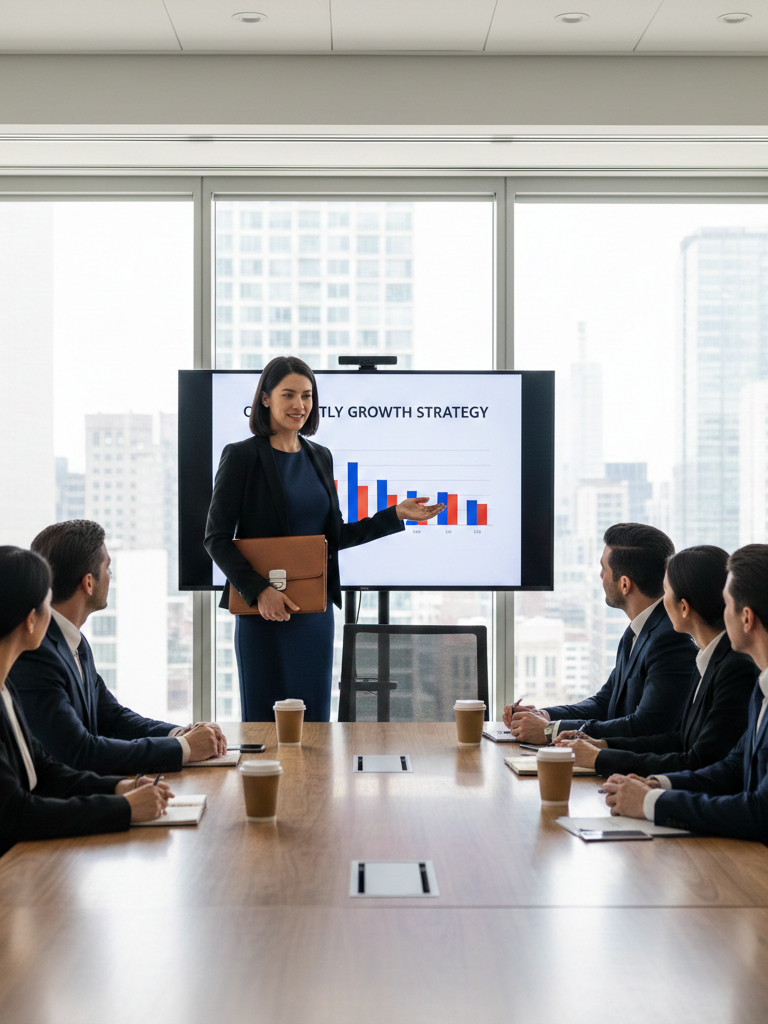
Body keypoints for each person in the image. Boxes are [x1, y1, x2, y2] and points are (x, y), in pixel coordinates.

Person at [205, 355, 444, 722]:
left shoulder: (320, 456)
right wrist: (261, 591)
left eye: (307, 395)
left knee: (314, 722)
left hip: (314, 612)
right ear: (265, 398)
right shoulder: (241, 456)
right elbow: (216, 538)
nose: (299, 405)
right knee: (264, 725)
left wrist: (394, 515)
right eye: (288, 395)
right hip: (263, 611)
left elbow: (334, 537)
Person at [10, 520, 225, 775]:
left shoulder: (74, 641)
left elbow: (112, 717)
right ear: (88, 583)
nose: (111, 576)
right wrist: (183, 748)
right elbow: (79, 753)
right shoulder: (36, 653)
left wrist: (180, 734)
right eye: (107, 567)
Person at [0, 545, 173, 857]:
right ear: (30, 620)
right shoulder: (24, 673)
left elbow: (44, 770)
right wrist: (122, 807)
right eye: (46, 602)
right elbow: (15, 813)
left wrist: (118, 788)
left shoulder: (6, 687)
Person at [603, 544, 768, 841]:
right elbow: (733, 766)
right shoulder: (761, 687)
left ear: (746, 618)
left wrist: (651, 802)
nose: (720, 610)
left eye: (726, 603)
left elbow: (760, 810)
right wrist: (658, 785)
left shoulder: (740, 671)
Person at [554, 546, 757, 776]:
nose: (661, 600)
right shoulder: (707, 659)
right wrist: (605, 746)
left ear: (683, 607)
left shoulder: (734, 668)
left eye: (666, 591)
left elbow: (700, 760)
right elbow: (678, 740)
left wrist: (603, 758)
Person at [503, 523, 697, 744]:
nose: (600, 576)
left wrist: (550, 730)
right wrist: (545, 716)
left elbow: (645, 726)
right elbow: (605, 703)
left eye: (604, 569)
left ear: (625, 584)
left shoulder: (670, 640)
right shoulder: (637, 631)